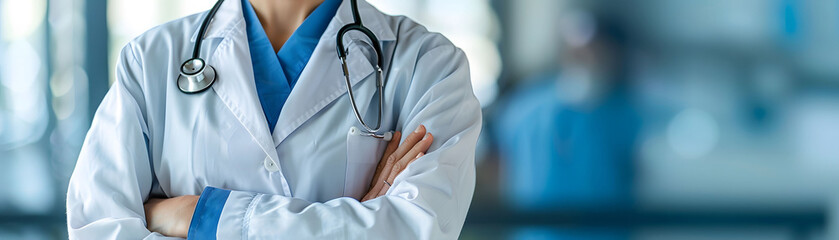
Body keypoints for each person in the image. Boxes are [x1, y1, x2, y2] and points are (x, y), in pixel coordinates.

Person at [65, 0, 482, 239]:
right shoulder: (149, 61)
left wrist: (202, 218)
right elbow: (98, 230)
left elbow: (417, 230)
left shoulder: (427, 66)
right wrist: (357, 220)